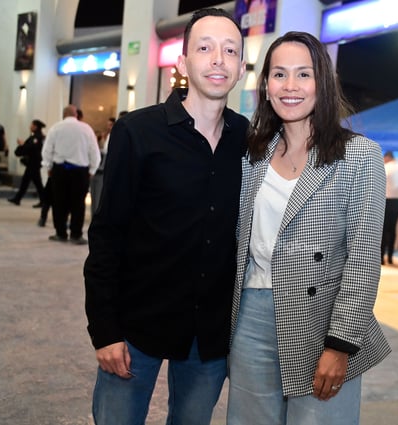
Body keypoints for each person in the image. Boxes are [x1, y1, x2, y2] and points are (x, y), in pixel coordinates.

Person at [83, 8, 248, 425]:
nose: (218, 59)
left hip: (208, 335)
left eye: (230, 51)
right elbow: (107, 234)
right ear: (182, 62)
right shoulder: (138, 132)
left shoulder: (249, 140)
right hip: (136, 325)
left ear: (241, 68)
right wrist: (104, 329)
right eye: (205, 48)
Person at [226, 31, 390, 425]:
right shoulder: (254, 153)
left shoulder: (358, 155)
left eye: (304, 74)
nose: (290, 86)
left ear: (323, 83)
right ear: (265, 86)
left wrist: (340, 344)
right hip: (250, 315)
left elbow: (364, 258)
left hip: (321, 319)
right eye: (279, 74)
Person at [41, 105, 100, 245]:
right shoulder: (86, 129)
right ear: (76, 115)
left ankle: (60, 233)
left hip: (60, 170)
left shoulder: (56, 128)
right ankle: (76, 234)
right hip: (80, 172)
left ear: (63, 115)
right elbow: (94, 152)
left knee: (59, 202)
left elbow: (47, 150)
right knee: (78, 204)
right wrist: (92, 170)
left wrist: (48, 166)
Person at [8, 119, 46, 206]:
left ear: (35, 126)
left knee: (36, 183)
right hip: (33, 163)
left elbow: (31, 148)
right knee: (29, 182)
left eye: (31, 125)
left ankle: (43, 201)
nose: (30, 127)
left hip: (34, 163)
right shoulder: (36, 136)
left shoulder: (37, 137)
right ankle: (18, 199)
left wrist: (22, 145)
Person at [381, 151, 398, 265]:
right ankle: (391, 256)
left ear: (387, 157)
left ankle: (381, 256)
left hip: (386, 200)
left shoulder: (385, 168)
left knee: (383, 229)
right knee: (392, 229)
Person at [90, 117, 115, 216]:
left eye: (110, 125)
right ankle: (95, 215)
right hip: (100, 168)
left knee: (100, 195)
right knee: (95, 195)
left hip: (105, 169)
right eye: (108, 125)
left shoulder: (114, 135)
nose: (108, 127)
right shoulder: (105, 136)